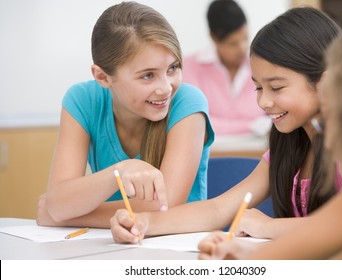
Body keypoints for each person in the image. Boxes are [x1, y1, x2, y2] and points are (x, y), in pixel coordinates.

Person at [110, 7, 342, 244]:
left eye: (276, 87)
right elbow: (217, 210)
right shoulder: (288, 149)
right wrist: (144, 222)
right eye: (258, 88)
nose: (263, 102)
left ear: (326, 81)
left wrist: (269, 226)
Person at [198, 9, 342, 260]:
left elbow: (336, 239)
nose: (329, 140)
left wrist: (263, 237)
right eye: (258, 87)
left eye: (276, 87)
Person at [36, 1, 214, 229]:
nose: (166, 87)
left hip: (175, 244)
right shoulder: (82, 100)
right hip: (107, 245)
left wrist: (70, 217)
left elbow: (165, 206)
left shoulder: (188, 102)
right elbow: (59, 203)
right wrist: (121, 171)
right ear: (102, 77)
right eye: (148, 75)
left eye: (173, 68)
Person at [182, 0, 268, 136]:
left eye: (245, 38)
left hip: (258, 150)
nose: (242, 48)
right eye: (233, 43)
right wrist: (253, 125)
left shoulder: (262, 65)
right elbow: (195, 122)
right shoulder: (190, 67)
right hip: (211, 153)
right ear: (214, 38)